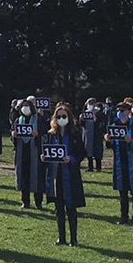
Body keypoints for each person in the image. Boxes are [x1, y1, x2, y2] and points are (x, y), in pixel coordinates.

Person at [44, 105, 87, 246]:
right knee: (59, 208)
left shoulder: (75, 133)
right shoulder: (51, 134)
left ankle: (73, 238)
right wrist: (44, 157)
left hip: (71, 174)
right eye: (58, 116)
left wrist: (72, 159)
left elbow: (82, 152)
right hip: (56, 175)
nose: (61, 119)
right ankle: (61, 237)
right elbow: (47, 150)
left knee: (71, 208)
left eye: (64, 116)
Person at [106, 103, 133, 224]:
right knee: (122, 191)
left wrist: (131, 141)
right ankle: (124, 216)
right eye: (118, 110)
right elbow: (111, 146)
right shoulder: (114, 126)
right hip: (120, 163)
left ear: (128, 111)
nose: (120, 112)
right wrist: (108, 140)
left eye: (123, 110)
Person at [12, 98, 44, 209]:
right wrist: (14, 136)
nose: (25, 108)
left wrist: (37, 135)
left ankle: (38, 202)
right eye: (23, 106)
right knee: (23, 177)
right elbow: (15, 141)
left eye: (27, 105)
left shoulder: (38, 119)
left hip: (35, 152)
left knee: (36, 177)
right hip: (22, 153)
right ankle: (25, 201)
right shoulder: (18, 120)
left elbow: (45, 134)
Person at [80, 98, 105, 172]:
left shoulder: (98, 113)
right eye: (88, 103)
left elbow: (102, 124)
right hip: (87, 134)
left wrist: (96, 120)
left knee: (97, 150)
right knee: (88, 150)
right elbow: (81, 125)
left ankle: (98, 167)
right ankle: (90, 167)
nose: (89, 105)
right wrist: (81, 119)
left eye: (91, 103)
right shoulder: (85, 113)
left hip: (96, 134)